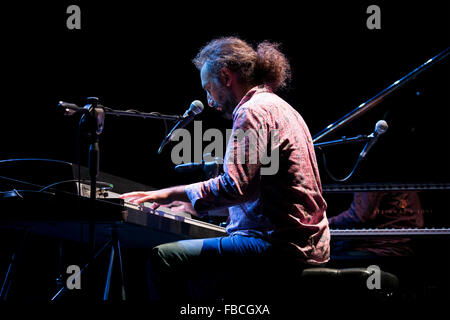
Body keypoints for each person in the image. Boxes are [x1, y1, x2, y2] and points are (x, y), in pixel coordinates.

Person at [120, 37, 330, 301]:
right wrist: (195, 206)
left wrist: (167, 194)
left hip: (277, 247)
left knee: (164, 258)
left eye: (209, 88)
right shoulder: (282, 108)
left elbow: (236, 187)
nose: (209, 100)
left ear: (226, 76)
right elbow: (259, 193)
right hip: (306, 246)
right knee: (200, 275)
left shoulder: (252, 112)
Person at [328, 191, 424, 257]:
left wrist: (326, 222)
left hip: (383, 248)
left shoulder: (373, 170)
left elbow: (359, 216)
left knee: (328, 259)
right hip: (402, 245)